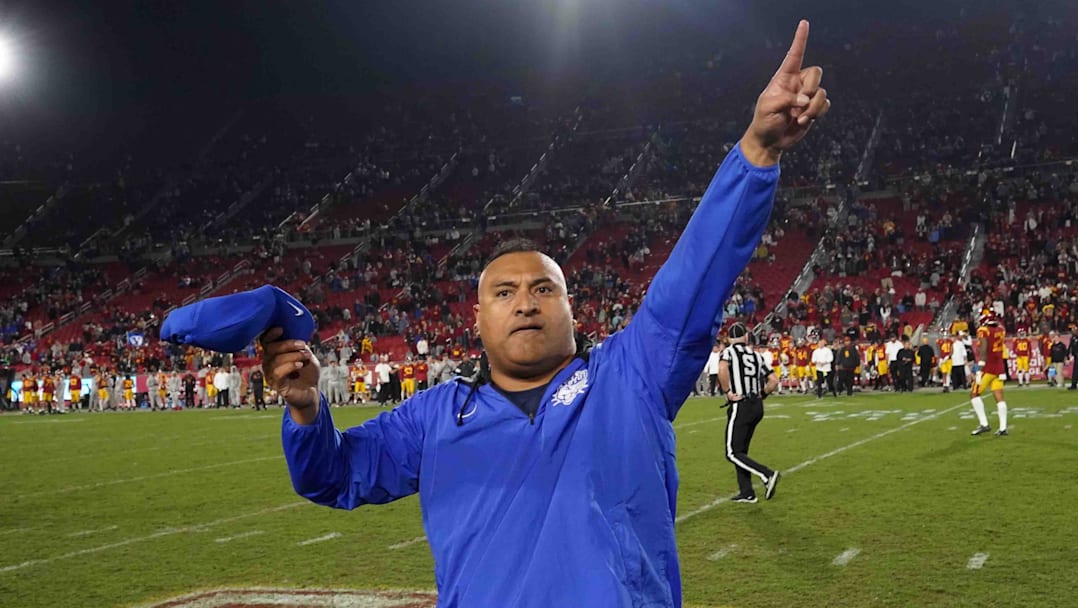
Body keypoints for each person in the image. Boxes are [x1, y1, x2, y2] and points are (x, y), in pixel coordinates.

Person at [262, 22, 827, 608]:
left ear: (572, 310)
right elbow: (332, 475)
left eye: (543, 289)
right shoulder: (432, 418)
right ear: (477, 319)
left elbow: (697, 275)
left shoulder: (631, 377)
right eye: (504, 293)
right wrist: (305, 408)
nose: (526, 301)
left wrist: (757, 151)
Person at [718, 323, 781, 504]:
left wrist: (728, 392)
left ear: (729, 339)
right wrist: (762, 394)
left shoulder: (729, 352)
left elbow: (722, 369)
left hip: (741, 404)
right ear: (746, 337)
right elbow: (774, 380)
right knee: (741, 451)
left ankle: (767, 474)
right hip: (756, 406)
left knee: (732, 452)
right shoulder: (756, 356)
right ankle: (747, 492)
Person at [970, 311, 1008, 437]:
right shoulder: (1001, 330)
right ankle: (1003, 428)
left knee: (974, 393)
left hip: (988, 367)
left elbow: (984, 349)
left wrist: (979, 368)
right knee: (999, 397)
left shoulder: (984, 330)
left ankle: (984, 424)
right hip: (999, 367)